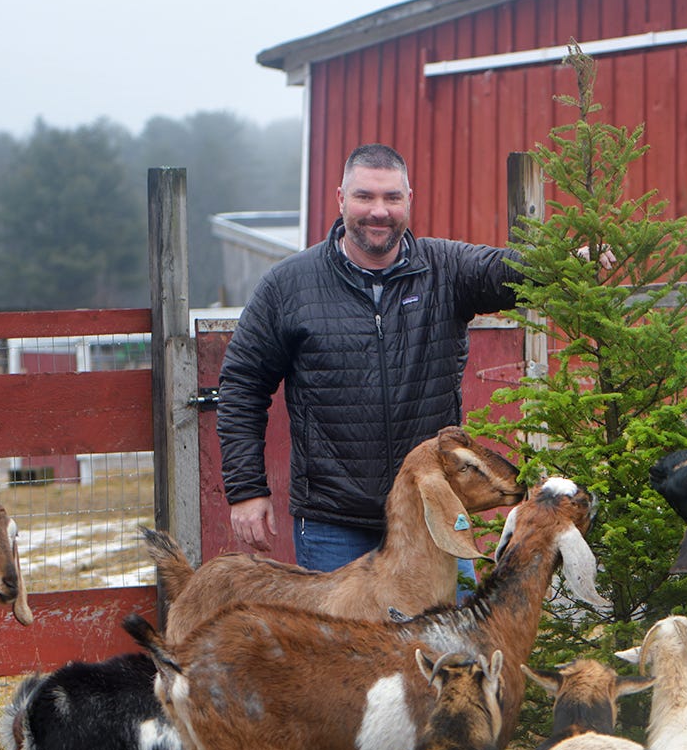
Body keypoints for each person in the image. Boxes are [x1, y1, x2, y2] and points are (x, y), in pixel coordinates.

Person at [216, 143, 522, 571]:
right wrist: (247, 490)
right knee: (345, 641)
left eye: (391, 197)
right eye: (365, 196)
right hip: (333, 524)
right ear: (341, 199)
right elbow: (242, 387)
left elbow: (505, 270)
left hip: (432, 509)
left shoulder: (445, 269)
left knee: (446, 637)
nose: (379, 211)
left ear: (408, 200)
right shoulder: (289, 287)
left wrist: (571, 261)